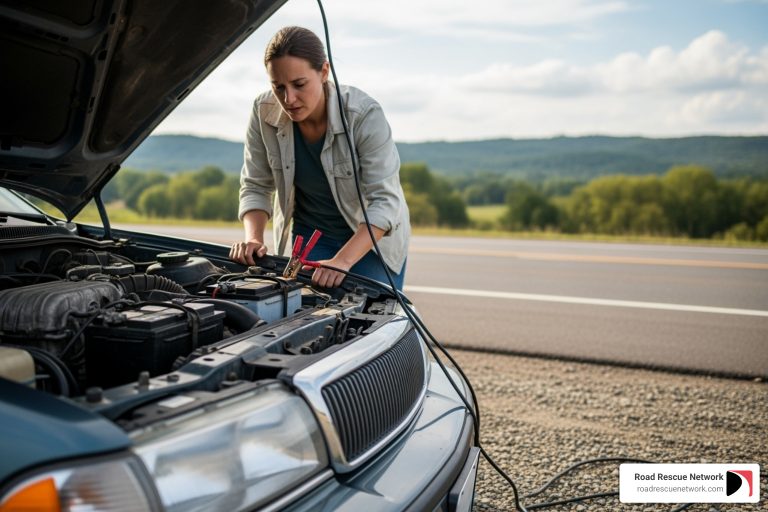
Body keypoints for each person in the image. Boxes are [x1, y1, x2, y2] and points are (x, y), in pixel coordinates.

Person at [229, 26, 410, 290]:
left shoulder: (364, 114)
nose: (288, 98)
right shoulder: (263, 111)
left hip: (370, 239)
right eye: (278, 86)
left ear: (324, 72)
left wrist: (343, 261)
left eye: (299, 84)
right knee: (306, 312)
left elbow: (385, 202)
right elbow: (256, 185)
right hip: (311, 236)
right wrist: (253, 239)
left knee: (369, 314)